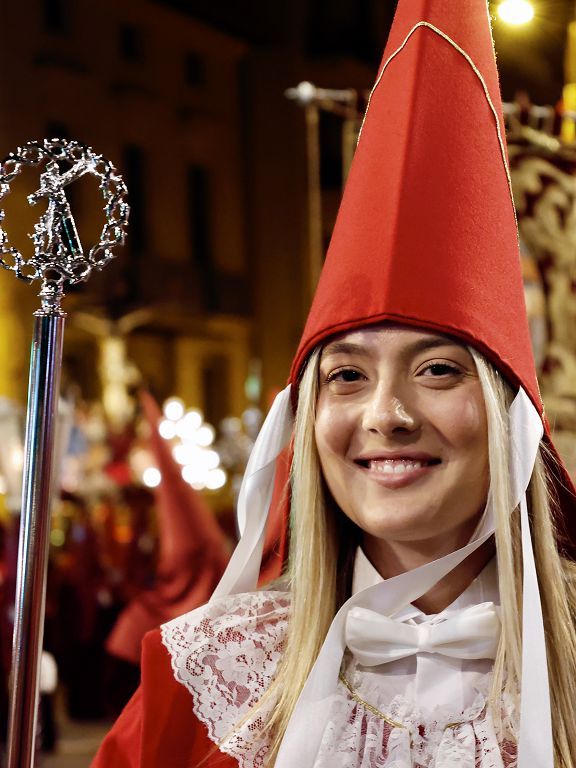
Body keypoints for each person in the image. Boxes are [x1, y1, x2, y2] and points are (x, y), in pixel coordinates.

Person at [92, 0, 576, 766]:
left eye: (438, 369)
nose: (385, 415)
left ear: (511, 415)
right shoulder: (197, 684)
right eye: (346, 375)